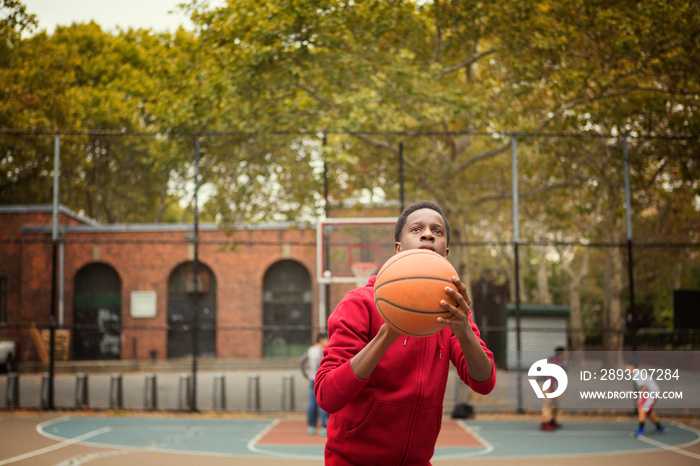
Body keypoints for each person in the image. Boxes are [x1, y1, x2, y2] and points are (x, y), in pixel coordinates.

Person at [315, 201, 496, 465]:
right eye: (416, 229)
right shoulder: (359, 303)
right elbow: (327, 396)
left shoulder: (453, 313)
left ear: (445, 253)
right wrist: (387, 334)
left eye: (437, 230)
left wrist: (464, 331)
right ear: (398, 250)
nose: (427, 234)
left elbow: (485, 382)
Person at [300, 332, 330, 435]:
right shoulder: (322, 351)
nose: (327, 342)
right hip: (320, 379)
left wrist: (306, 374)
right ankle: (323, 426)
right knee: (322, 402)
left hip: (312, 378)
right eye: (326, 339)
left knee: (312, 402)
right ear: (321, 340)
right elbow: (322, 364)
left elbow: (301, 362)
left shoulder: (310, 350)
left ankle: (311, 425)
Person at [626, 362, 667, 437]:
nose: (626, 369)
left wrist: (640, 398)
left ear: (631, 366)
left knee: (641, 408)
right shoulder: (637, 372)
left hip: (652, 393)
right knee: (647, 411)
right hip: (652, 392)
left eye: (627, 367)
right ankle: (660, 427)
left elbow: (644, 385)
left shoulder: (636, 373)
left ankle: (641, 430)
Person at [540, 346, 568, 431]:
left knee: (555, 401)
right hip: (543, 381)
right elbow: (550, 379)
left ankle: (552, 421)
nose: (568, 354)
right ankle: (545, 423)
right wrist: (551, 393)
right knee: (548, 401)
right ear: (561, 354)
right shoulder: (554, 363)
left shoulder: (562, 362)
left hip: (550, 382)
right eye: (566, 352)